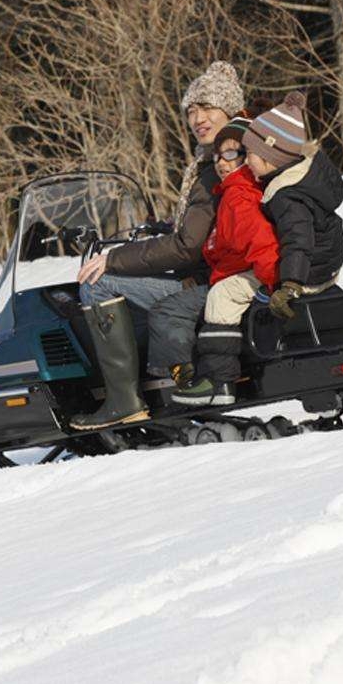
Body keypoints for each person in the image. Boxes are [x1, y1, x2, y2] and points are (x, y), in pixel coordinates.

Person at [67, 61, 245, 430]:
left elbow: (188, 247)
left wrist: (114, 258)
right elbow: (199, 228)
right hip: (211, 274)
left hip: (208, 280)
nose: (198, 118)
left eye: (208, 108)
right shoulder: (225, 156)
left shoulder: (218, 166)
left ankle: (123, 401)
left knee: (97, 283)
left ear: (229, 110)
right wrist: (158, 229)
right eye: (192, 110)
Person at [174, 90, 343, 406]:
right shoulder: (306, 175)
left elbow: (292, 241)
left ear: (271, 155)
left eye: (247, 154)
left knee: (222, 295)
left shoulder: (283, 195)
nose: (244, 162)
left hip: (300, 270)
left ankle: (217, 382)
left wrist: (283, 284)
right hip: (324, 262)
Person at [144, 117, 278, 403]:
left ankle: (189, 382)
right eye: (217, 155)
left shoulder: (238, 196)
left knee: (167, 310)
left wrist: (273, 284)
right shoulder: (229, 192)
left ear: (248, 156)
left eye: (231, 154)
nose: (222, 162)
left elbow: (261, 243)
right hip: (231, 274)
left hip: (249, 278)